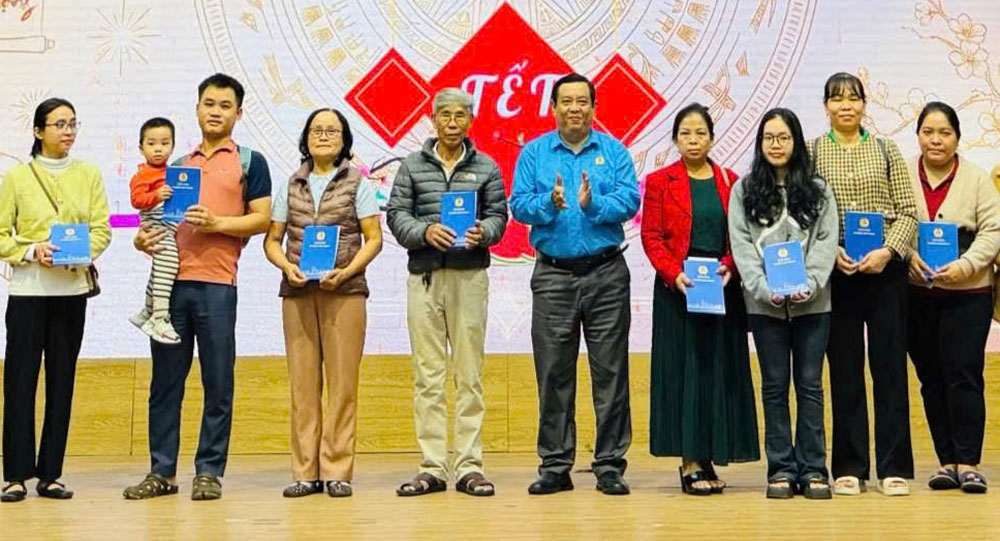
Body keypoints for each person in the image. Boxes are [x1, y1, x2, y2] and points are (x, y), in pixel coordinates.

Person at [123, 73, 272, 501]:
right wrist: (141, 239)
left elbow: (261, 219)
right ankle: (162, 472)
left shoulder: (249, 161)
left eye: (225, 105)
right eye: (209, 103)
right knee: (165, 383)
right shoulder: (175, 164)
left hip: (218, 285)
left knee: (218, 382)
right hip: (171, 285)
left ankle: (209, 471)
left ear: (238, 113)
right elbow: (154, 219)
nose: (215, 111)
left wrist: (219, 223)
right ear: (197, 107)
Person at [511, 73, 639, 496]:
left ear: (593, 107)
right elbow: (518, 206)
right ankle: (554, 465)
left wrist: (593, 203)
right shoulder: (534, 153)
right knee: (553, 374)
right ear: (553, 107)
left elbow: (630, 201)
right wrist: (549, 203)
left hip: (606, 273)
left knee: (611, 373)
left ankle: (609, 465)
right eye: (566, 101)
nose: (574, 108)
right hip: (553, 276)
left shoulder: (614, 151)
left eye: (582, 101)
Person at [387, 88, 508, 497]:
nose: (453, 122)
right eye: (445, 115)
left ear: (471, 121)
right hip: (424, 275)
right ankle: (433, 466)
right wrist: (424, 231)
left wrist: (483, 232)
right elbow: (396, 214)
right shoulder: (411, 165)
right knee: (428, 376)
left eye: (461, 115)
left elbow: (498, 217)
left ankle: (470, 465)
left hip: (469, 276)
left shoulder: (487, 167)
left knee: (469, 374)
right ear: (432, 119)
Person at [640, 102, 759, 497]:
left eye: (700, 133)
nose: (693, 140)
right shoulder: (659, 181)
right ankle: (689, 461)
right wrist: (675, 274)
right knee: (684, 373)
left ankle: (709, 455)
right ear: (675, 139)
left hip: (722, 289)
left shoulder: (730, 180)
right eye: (685, 133)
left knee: (717, 372)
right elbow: (651, 237)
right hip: (680, 290)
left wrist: (730, 265)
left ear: (712, 137)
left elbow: (741, 234)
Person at [263, 108, 382, 498]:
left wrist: (346, 272)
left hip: (344, 291)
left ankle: (337, 471)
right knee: (303, 386)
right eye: (317, 129)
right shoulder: (292, 184)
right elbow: (272, 240)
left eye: (332, 130)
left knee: (343, 385)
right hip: (298, 291)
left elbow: (373, 238)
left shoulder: (356, 183)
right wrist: (287, 267)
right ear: (306, 137)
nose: (324, 136)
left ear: (344, 138)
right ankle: (304, 472)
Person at [811, 72, 918, 496]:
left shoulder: (886, 149)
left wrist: (887, 252)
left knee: (890, 368)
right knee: (845, 371)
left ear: (864, 104)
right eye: (837, 99)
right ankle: (849, 466)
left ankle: (895, 466)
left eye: (853, 98)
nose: (845, 106)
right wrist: (827, 252)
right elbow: (806, 213)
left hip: (885, 272)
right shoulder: (813, 151)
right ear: (825, 107)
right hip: (838, 271)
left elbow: (908, 212)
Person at [0, 98, 111, 502]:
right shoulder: (17, 176)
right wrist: (33, 252)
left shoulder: (89, 174)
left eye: (73, 124)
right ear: (37, 131)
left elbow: (101, 229)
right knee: (20, 382)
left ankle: (51, 474)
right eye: (59, 124)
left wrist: (81, 253)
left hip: (71, 292)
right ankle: (14, 475)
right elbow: (1, 235)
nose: (68, 131)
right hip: (28, 291)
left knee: (61, 382)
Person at [728, 108, 838, 499]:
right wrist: (761, 287)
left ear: (796, 142)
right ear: (760, 144)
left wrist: (809, 283)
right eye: (769, 138)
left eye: (784, 137)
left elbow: (826, 242)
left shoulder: (819, 189)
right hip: (765, 307)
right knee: (774, 387)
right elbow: (740, 244)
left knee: (810, 385)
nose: (777, 145)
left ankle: (813, 470)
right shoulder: (744, 190)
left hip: (813, 306)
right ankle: (780, 469)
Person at [905, 102, 1000, 494]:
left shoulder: (977, 178)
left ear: (957, 137)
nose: (936, 140)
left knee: (964, 375)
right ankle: (945, 461)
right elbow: (894, 220)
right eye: (928, 131)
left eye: (944, 132)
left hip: (968, 292)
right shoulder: (904, 173)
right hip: (917, 293)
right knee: (931, 378)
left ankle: (969, 462)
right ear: (919, 136)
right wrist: (907, 256)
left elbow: (994, 230)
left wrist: (966, 265)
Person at [128, 117, 181, 344]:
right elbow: (136, 200)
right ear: (141, 147)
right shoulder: (142, 175)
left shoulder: (174, 173)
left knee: (161, 267)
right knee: (169, 263)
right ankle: (159, 317)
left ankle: (146, 313)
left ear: (172, 146)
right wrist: (156, 196)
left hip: (169, 225)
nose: (158, 148)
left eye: (164, 143)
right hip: (156, 226)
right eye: (151, 143)